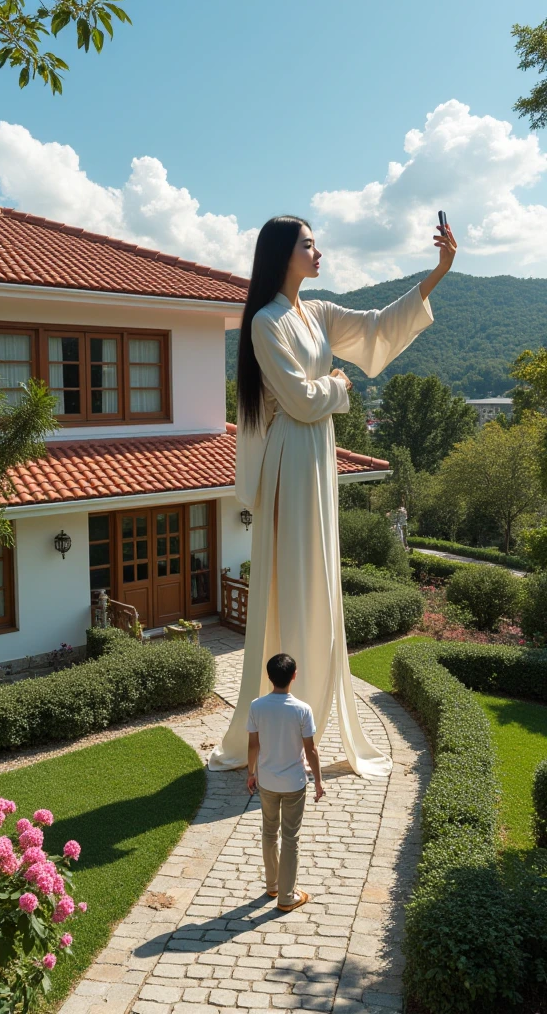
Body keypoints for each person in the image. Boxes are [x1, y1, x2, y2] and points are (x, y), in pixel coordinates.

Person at [209, 214, 457, 778]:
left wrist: (437, 272)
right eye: (308, 245)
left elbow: (376, 327)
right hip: (291, 459)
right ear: (282, 254)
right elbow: (298, 400)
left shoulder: (314, 313)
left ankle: (309, 710)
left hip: (314, 456)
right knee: (296, 578)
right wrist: (340, 386)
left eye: (316, 244)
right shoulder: (265, 323)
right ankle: (284, 717)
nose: (318, 253)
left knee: (319, 576)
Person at [247, 652, 323, 912]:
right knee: (290, 838)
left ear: (269, 677)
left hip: (267, 781)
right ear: (294, 675)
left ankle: (273, 885)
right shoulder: (302, 709)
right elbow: (311, 750)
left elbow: (253, 744)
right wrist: (319, 782)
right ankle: (287, 897)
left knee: (269, 832)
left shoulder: (257, 706)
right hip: (293, 784)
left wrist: (251, 773)